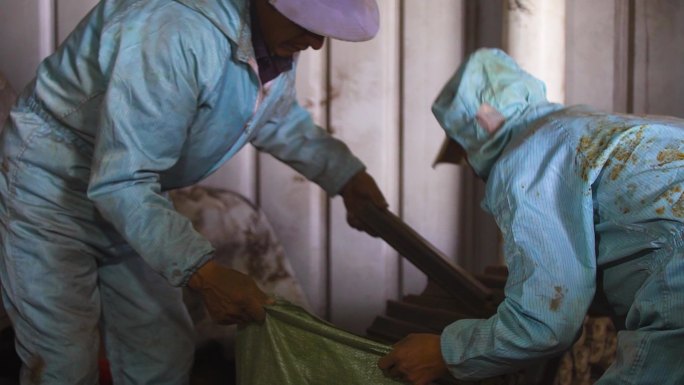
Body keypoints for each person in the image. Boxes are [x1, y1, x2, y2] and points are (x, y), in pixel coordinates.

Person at [0, 0, 387, 383]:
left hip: (131, 194)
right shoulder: (175, 29)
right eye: (308, 22)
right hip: (51, 185)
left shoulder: (271, 37)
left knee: (160, 355)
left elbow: (274, 117)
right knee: (63, 364)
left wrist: (346, 176)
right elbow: (121, 180)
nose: (317, 41)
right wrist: (203, 273)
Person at [378, 48, 684, 385]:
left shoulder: (528, 160)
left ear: (471, 136)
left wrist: (446, 353)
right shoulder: (583, 124)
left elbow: (546, 322)